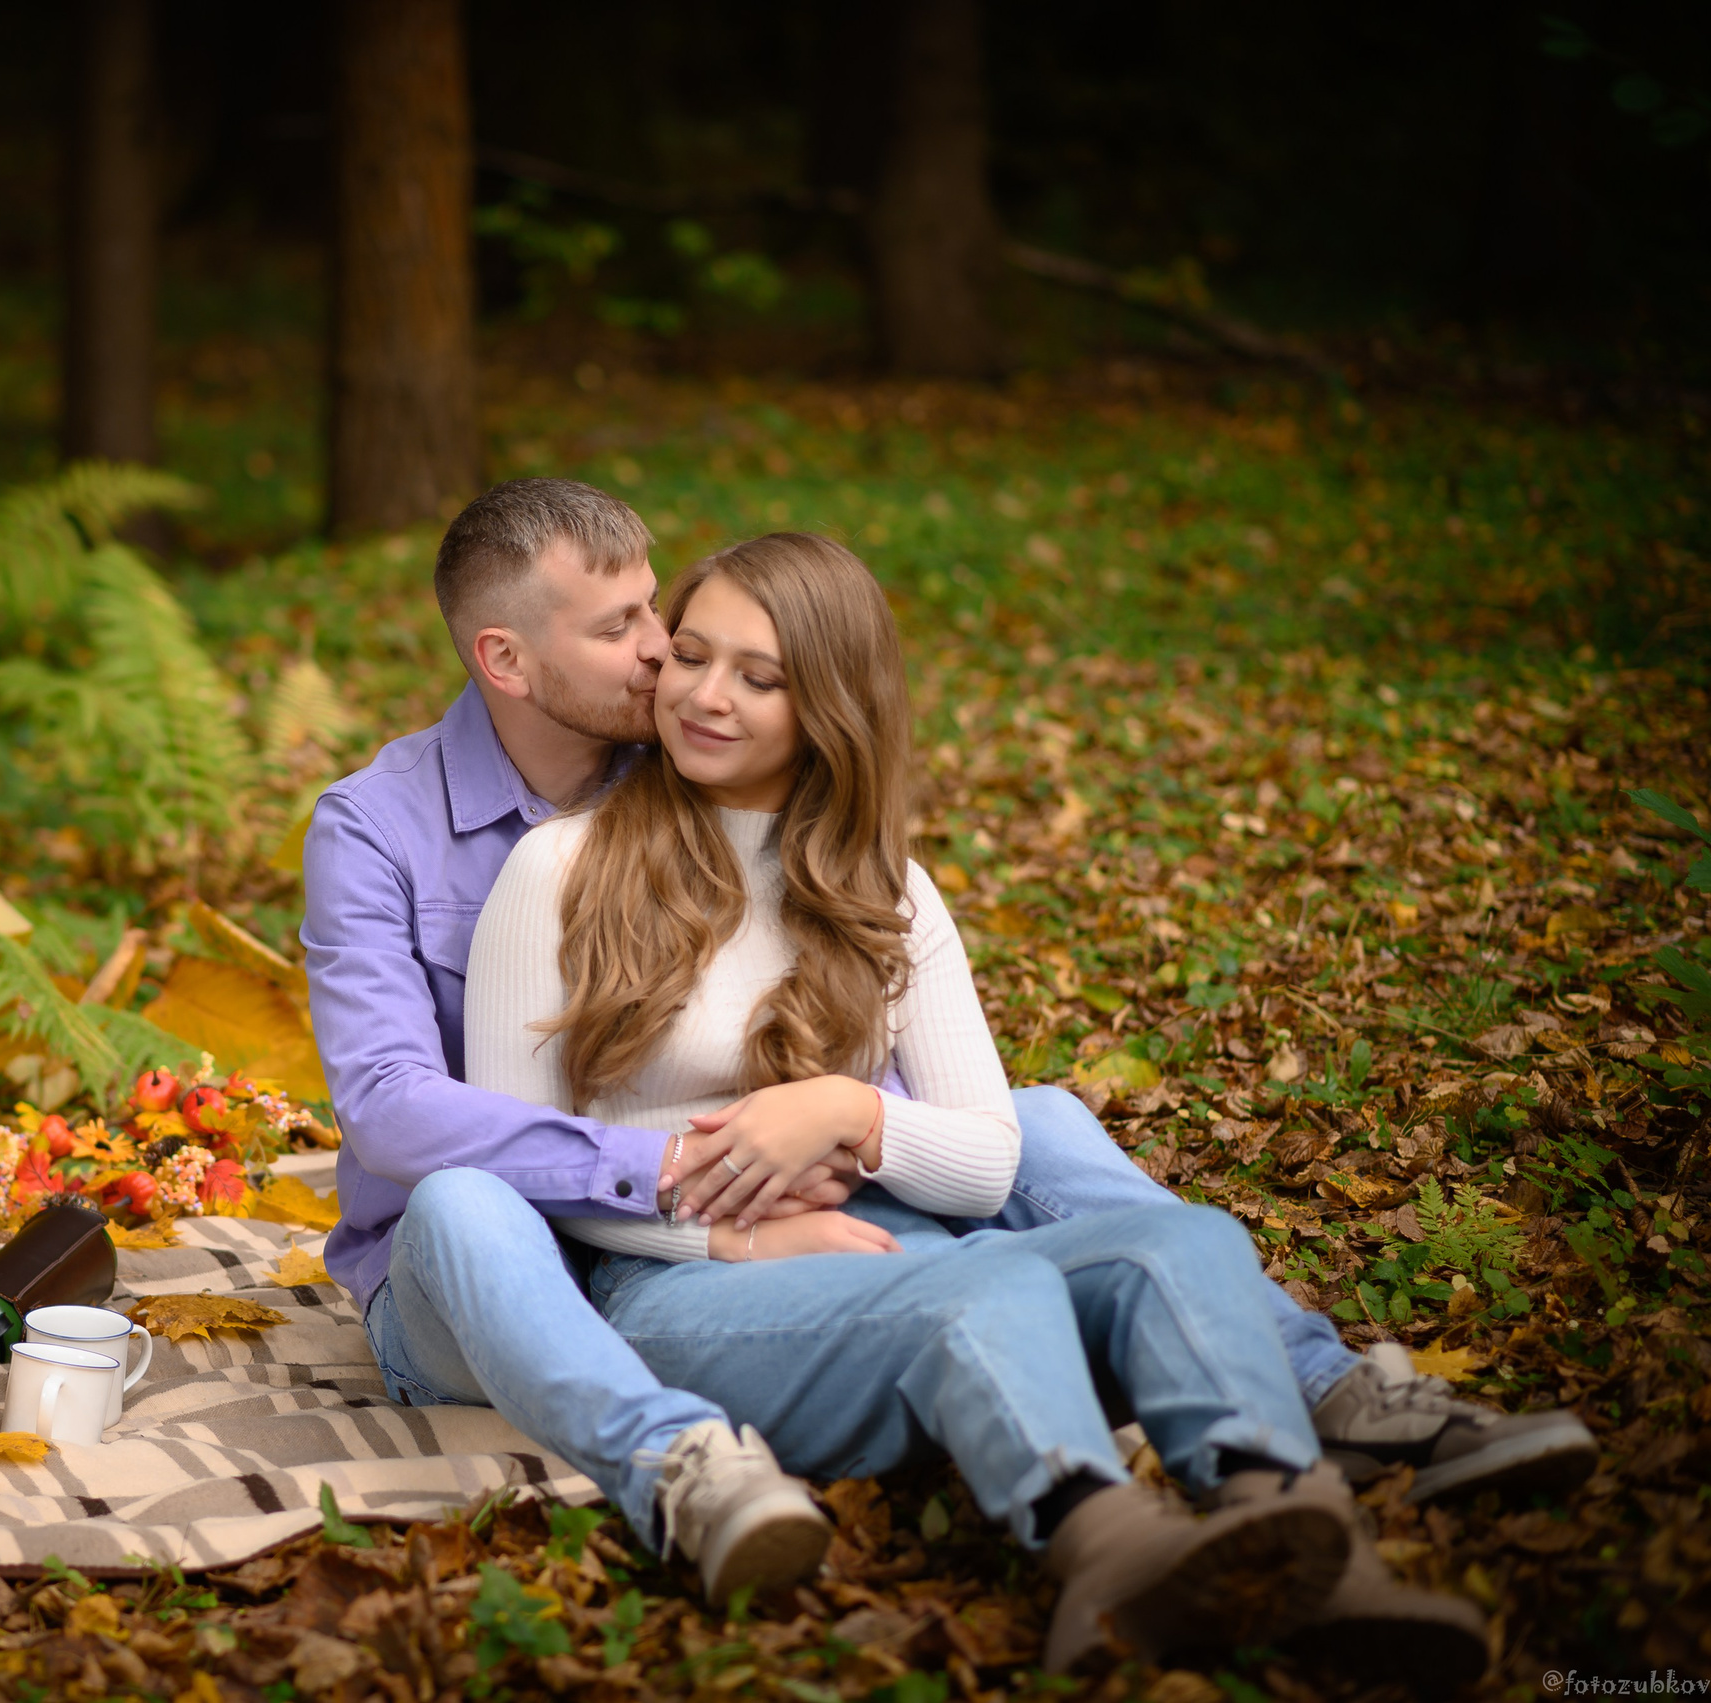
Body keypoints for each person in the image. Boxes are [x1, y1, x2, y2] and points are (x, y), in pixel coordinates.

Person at [300, 482, 1585, 1665]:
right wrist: (724, 1207)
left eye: (675, 626)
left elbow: (896, 1060)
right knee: (479, 1201)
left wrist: (849, 1115)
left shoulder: (713, 775)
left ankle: (1304, 1444)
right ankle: (703, 1470)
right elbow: (407, 1113)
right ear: (506, 659)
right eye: (644, 635)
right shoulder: (422, 834)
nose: (666, 663)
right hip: (506, 1246)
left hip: (753, 1197)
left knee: (1085, 1160)